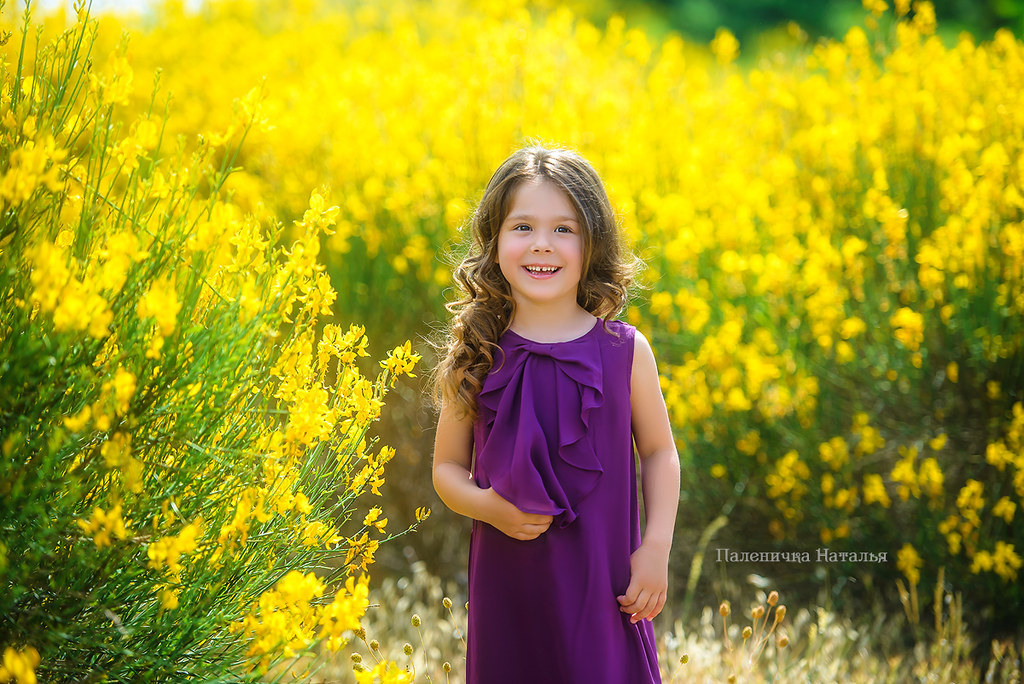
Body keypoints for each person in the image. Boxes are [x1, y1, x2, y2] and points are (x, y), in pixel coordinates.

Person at [432, 145, 681, 683]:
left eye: (564, 230)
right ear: (493, 241)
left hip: (604, 585)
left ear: (594, 244)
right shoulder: (475, 350)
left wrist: (656, 547)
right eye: (522, 226)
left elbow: (660, 452)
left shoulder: (624, 351)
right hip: (508, 588)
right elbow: (446, 469)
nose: (541, 245)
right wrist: (488, 507)